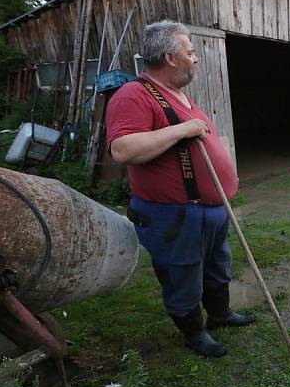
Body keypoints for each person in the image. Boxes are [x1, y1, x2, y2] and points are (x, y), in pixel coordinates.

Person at [106, 20, 255, 358]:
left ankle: (220, 314)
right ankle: (194, 333)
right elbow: (123, 149)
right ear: (170, 58)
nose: (196, 58)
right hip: (174, 213)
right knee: (182, 272)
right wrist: (181, 130)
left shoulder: (180, 97)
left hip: (211, 211)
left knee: (217, 265)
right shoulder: (134, 94)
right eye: (190, 52)